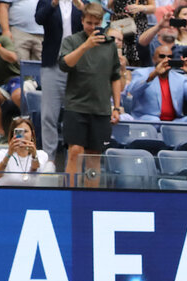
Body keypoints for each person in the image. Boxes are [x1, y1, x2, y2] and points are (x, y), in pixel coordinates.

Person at [58, 2, 122, 181]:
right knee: (75, 151)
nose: (93, 27)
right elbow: (64, 65)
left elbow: (115, 76)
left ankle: (90, 200)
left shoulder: (109, 45)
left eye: (96, 23)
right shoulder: (71, 41)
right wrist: (86, 46)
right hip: (76, 107)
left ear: (102, 22)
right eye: (89, 23)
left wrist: (116, 107)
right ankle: (70, 196)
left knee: (94, 155)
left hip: (101, 109)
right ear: (82, 20)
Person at [35, 0, 83, 165]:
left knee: (76, 115)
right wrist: (53, 3)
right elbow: (39, 19)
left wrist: (81, 5)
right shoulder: (47, 1)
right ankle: (49, 159)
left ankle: (74, 156)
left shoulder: (81, 2)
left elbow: (93, 20)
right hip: (52, 62)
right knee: (49, 114)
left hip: (77, 66)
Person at [122, 43, 187, 122]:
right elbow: (132, 92)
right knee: (155, 120)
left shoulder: (180, 78)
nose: (166, 59)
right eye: (162, 56)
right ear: (153, 59)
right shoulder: (141, 73)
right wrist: (154, 74)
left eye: (170, 56)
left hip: (173, 121)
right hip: (147, 118)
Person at [0, 115, 55, 184]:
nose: (22, 135)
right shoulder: (3, 153)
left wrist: (34, 155)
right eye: (18, 132)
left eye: (25, 131)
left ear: (32, 134)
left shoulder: (41, 154)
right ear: (12, 134)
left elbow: (34, 171)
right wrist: (9, 154)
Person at [109, 0, 155, 66]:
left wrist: (140, 7)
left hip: (137, 27)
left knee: (135, 59)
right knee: (116, 57)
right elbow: (109, 6)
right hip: (119, 26)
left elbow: (153, 8)